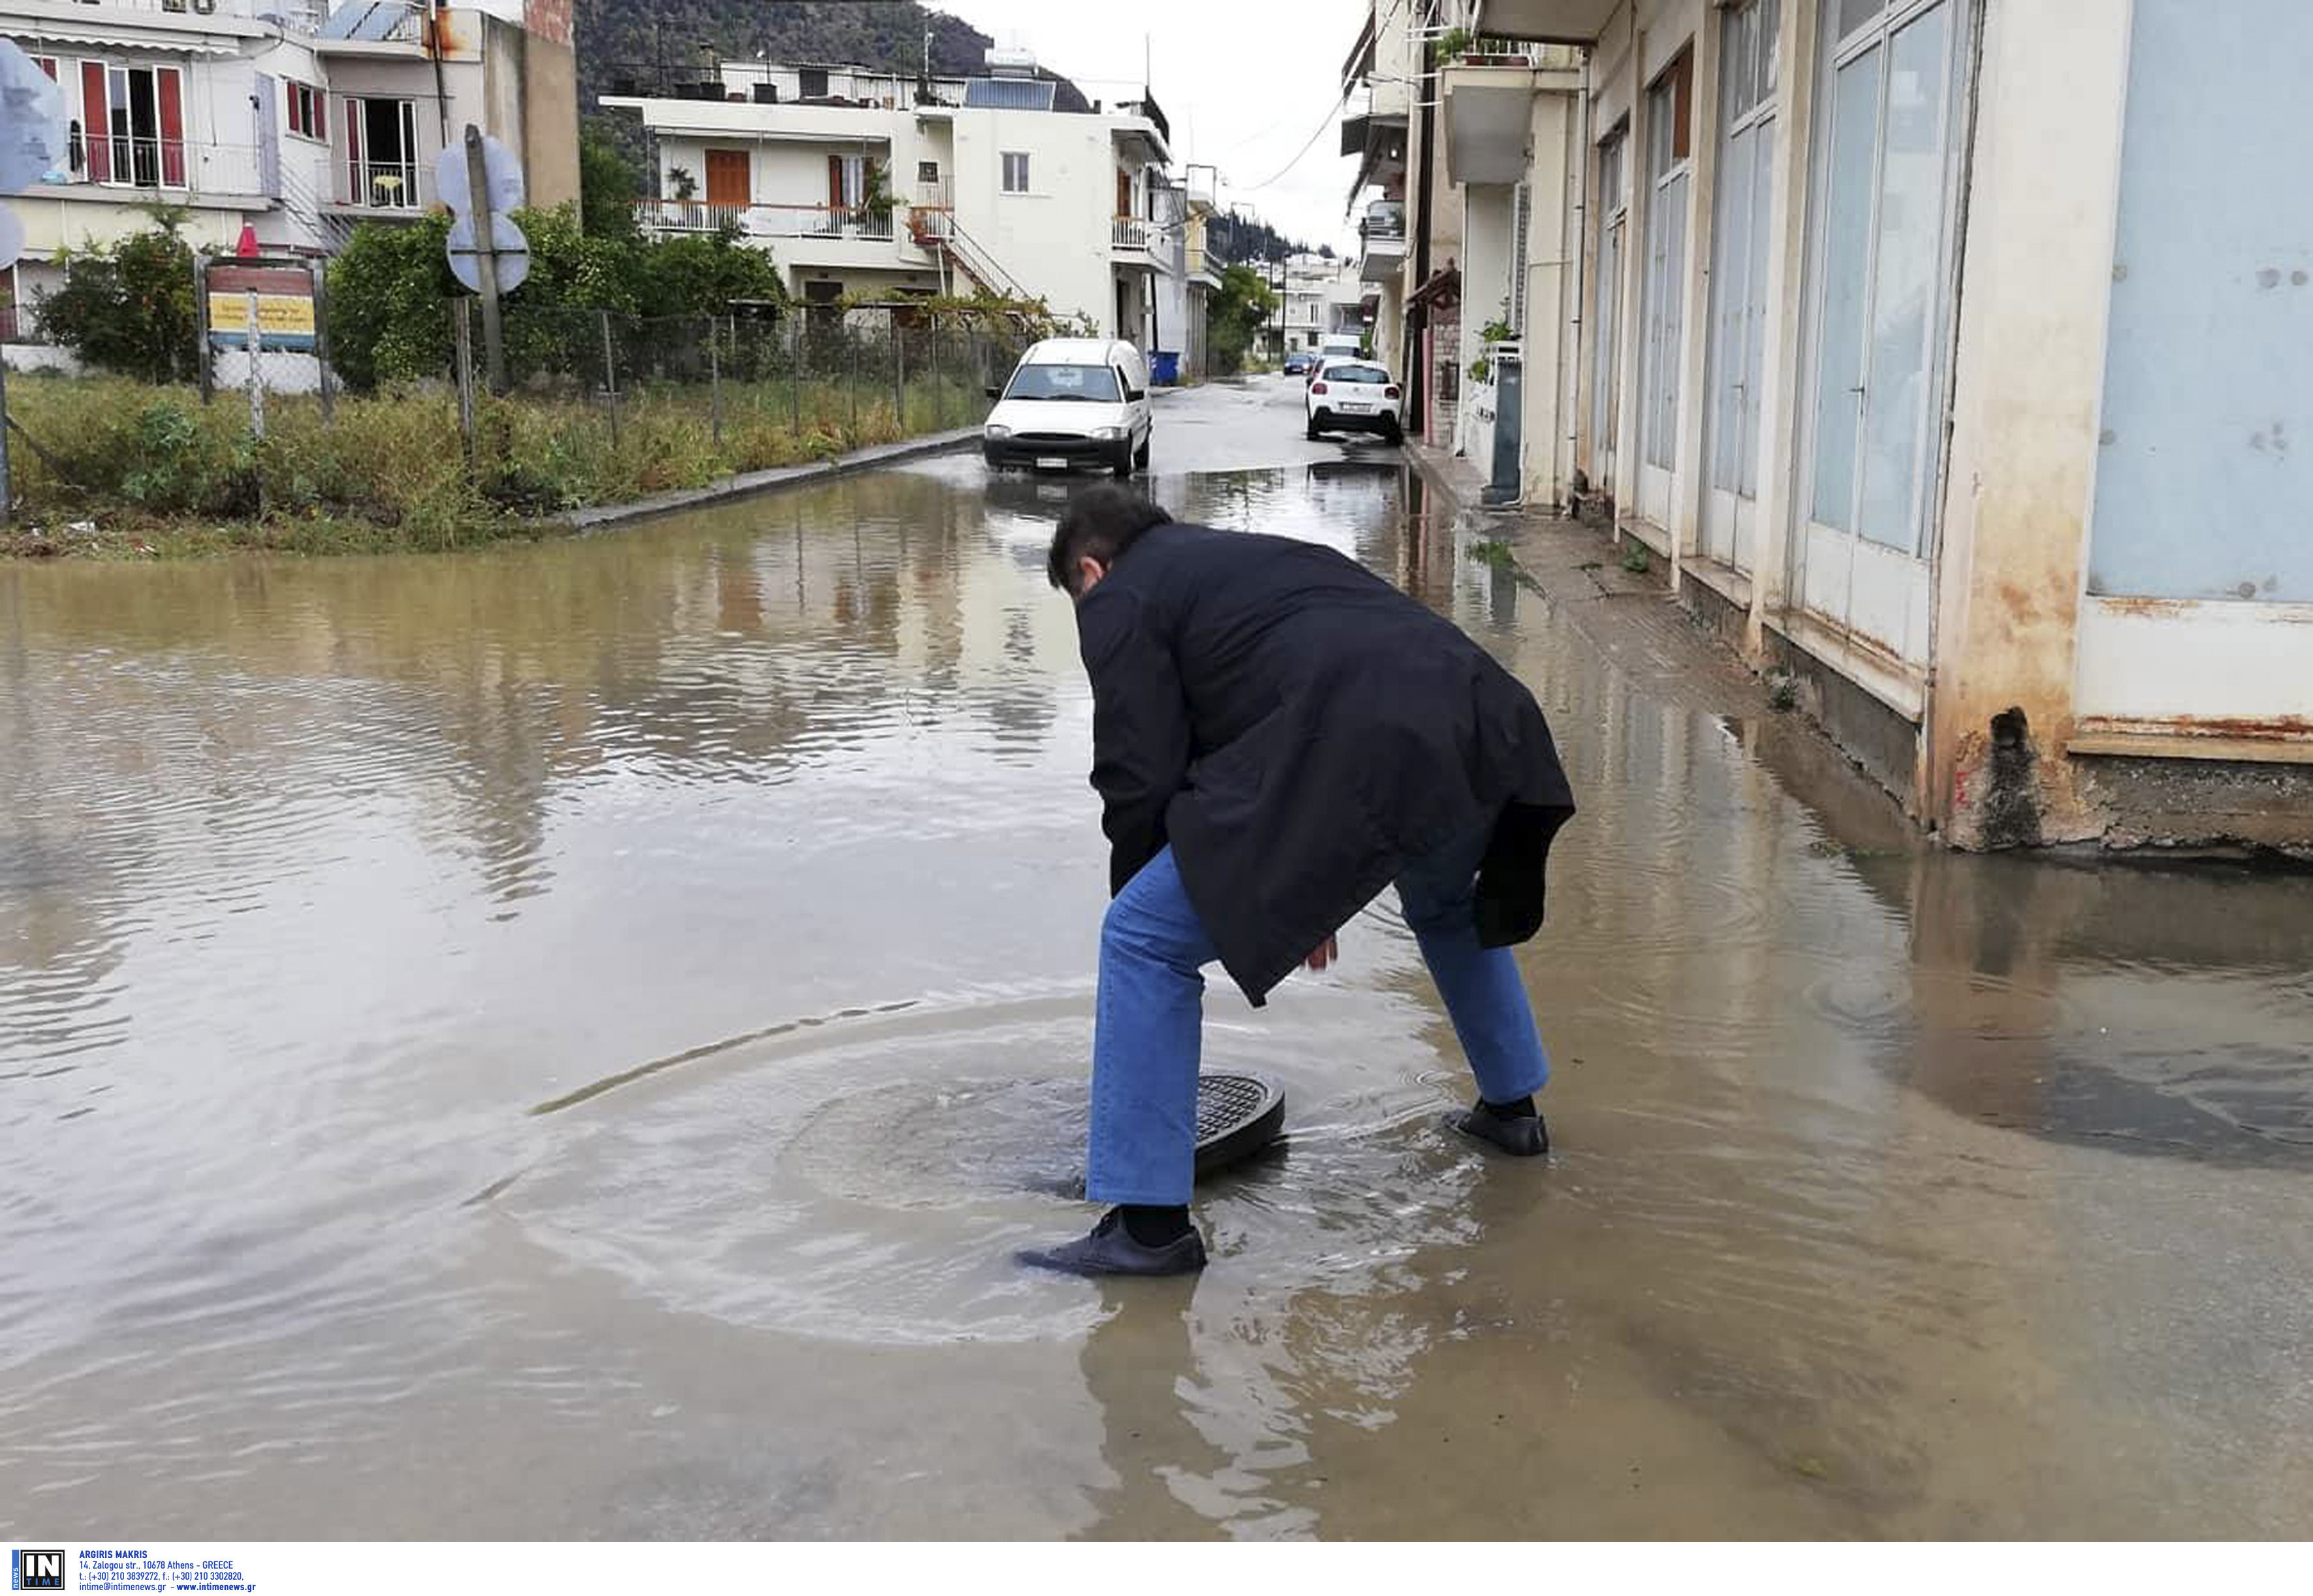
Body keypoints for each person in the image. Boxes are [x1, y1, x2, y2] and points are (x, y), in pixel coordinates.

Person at [1019, 487, 1577, 1277]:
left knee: (1141, 939)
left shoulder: (1122, 595)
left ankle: (1148, 1229)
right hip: (1482, 716)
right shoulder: (1251, 566)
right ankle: (1512, 1113)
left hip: (1363, 742)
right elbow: (1265, 733)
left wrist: (1242, 890)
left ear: (1089, 570)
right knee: (1447, 903)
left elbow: (1138, 778)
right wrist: (1295, 884)